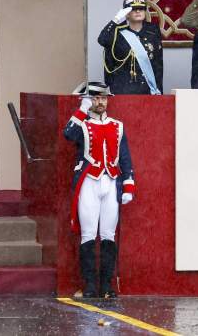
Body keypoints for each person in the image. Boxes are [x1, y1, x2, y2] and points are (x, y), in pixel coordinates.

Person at [64, 82, 136, 298]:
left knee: (108, 235)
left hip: (111, 182)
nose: (100, 102)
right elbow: (68, 134)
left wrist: (128, 185)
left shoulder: (117, 125)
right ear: (89, 100)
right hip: (89, 182)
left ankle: (106, 285)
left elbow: (125, 157)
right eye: (96, 98)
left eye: (103, 98)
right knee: (88, 234)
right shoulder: (82, 125)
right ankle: (90, 286)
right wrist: (82, 109)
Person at [98, 0, 163, 95]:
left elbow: (158, 64)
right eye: (133, 9)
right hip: (123, 89)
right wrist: (115, 20)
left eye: (141, 9)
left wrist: (159, 90)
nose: (138, 11)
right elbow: (102, 40)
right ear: (126, 13)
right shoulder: (117, 31)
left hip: (147, 89)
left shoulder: (153, 31)